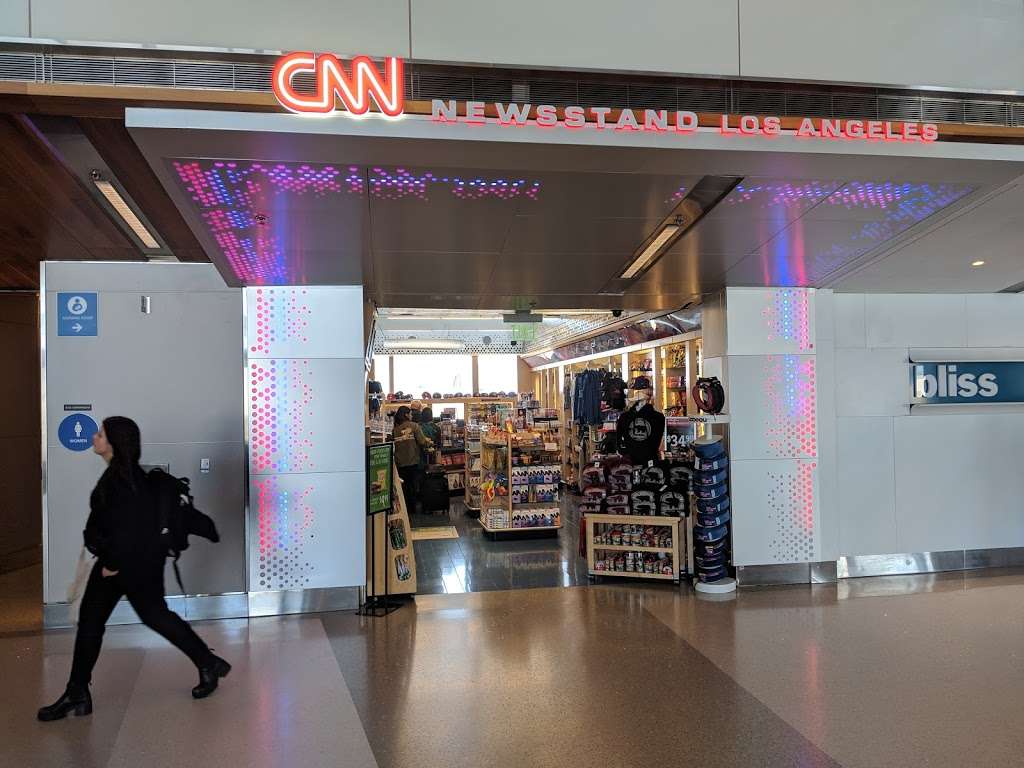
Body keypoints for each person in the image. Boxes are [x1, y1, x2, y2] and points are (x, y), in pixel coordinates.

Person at [38, 417, 230, 722]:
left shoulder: (119, 482)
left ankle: (78, 692)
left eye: (100, 434)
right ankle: (207, 662)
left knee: (100, 622)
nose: (94, 438)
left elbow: (127, 530)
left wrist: (111, 565)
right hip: (140, 564)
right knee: (145, 617)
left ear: (113, 443)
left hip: (122, 566)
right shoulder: (127, 476)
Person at [393, 406, 431, 515]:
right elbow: (422, 441)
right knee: (412, 486)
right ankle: (412, 510)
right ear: (406, 415)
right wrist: (429, 442)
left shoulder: (395, 429)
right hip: (412, 461)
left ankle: (403, 510)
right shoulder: (414, 426)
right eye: (410, 414)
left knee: (403, 487)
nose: (411, 415)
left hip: (399, 462)